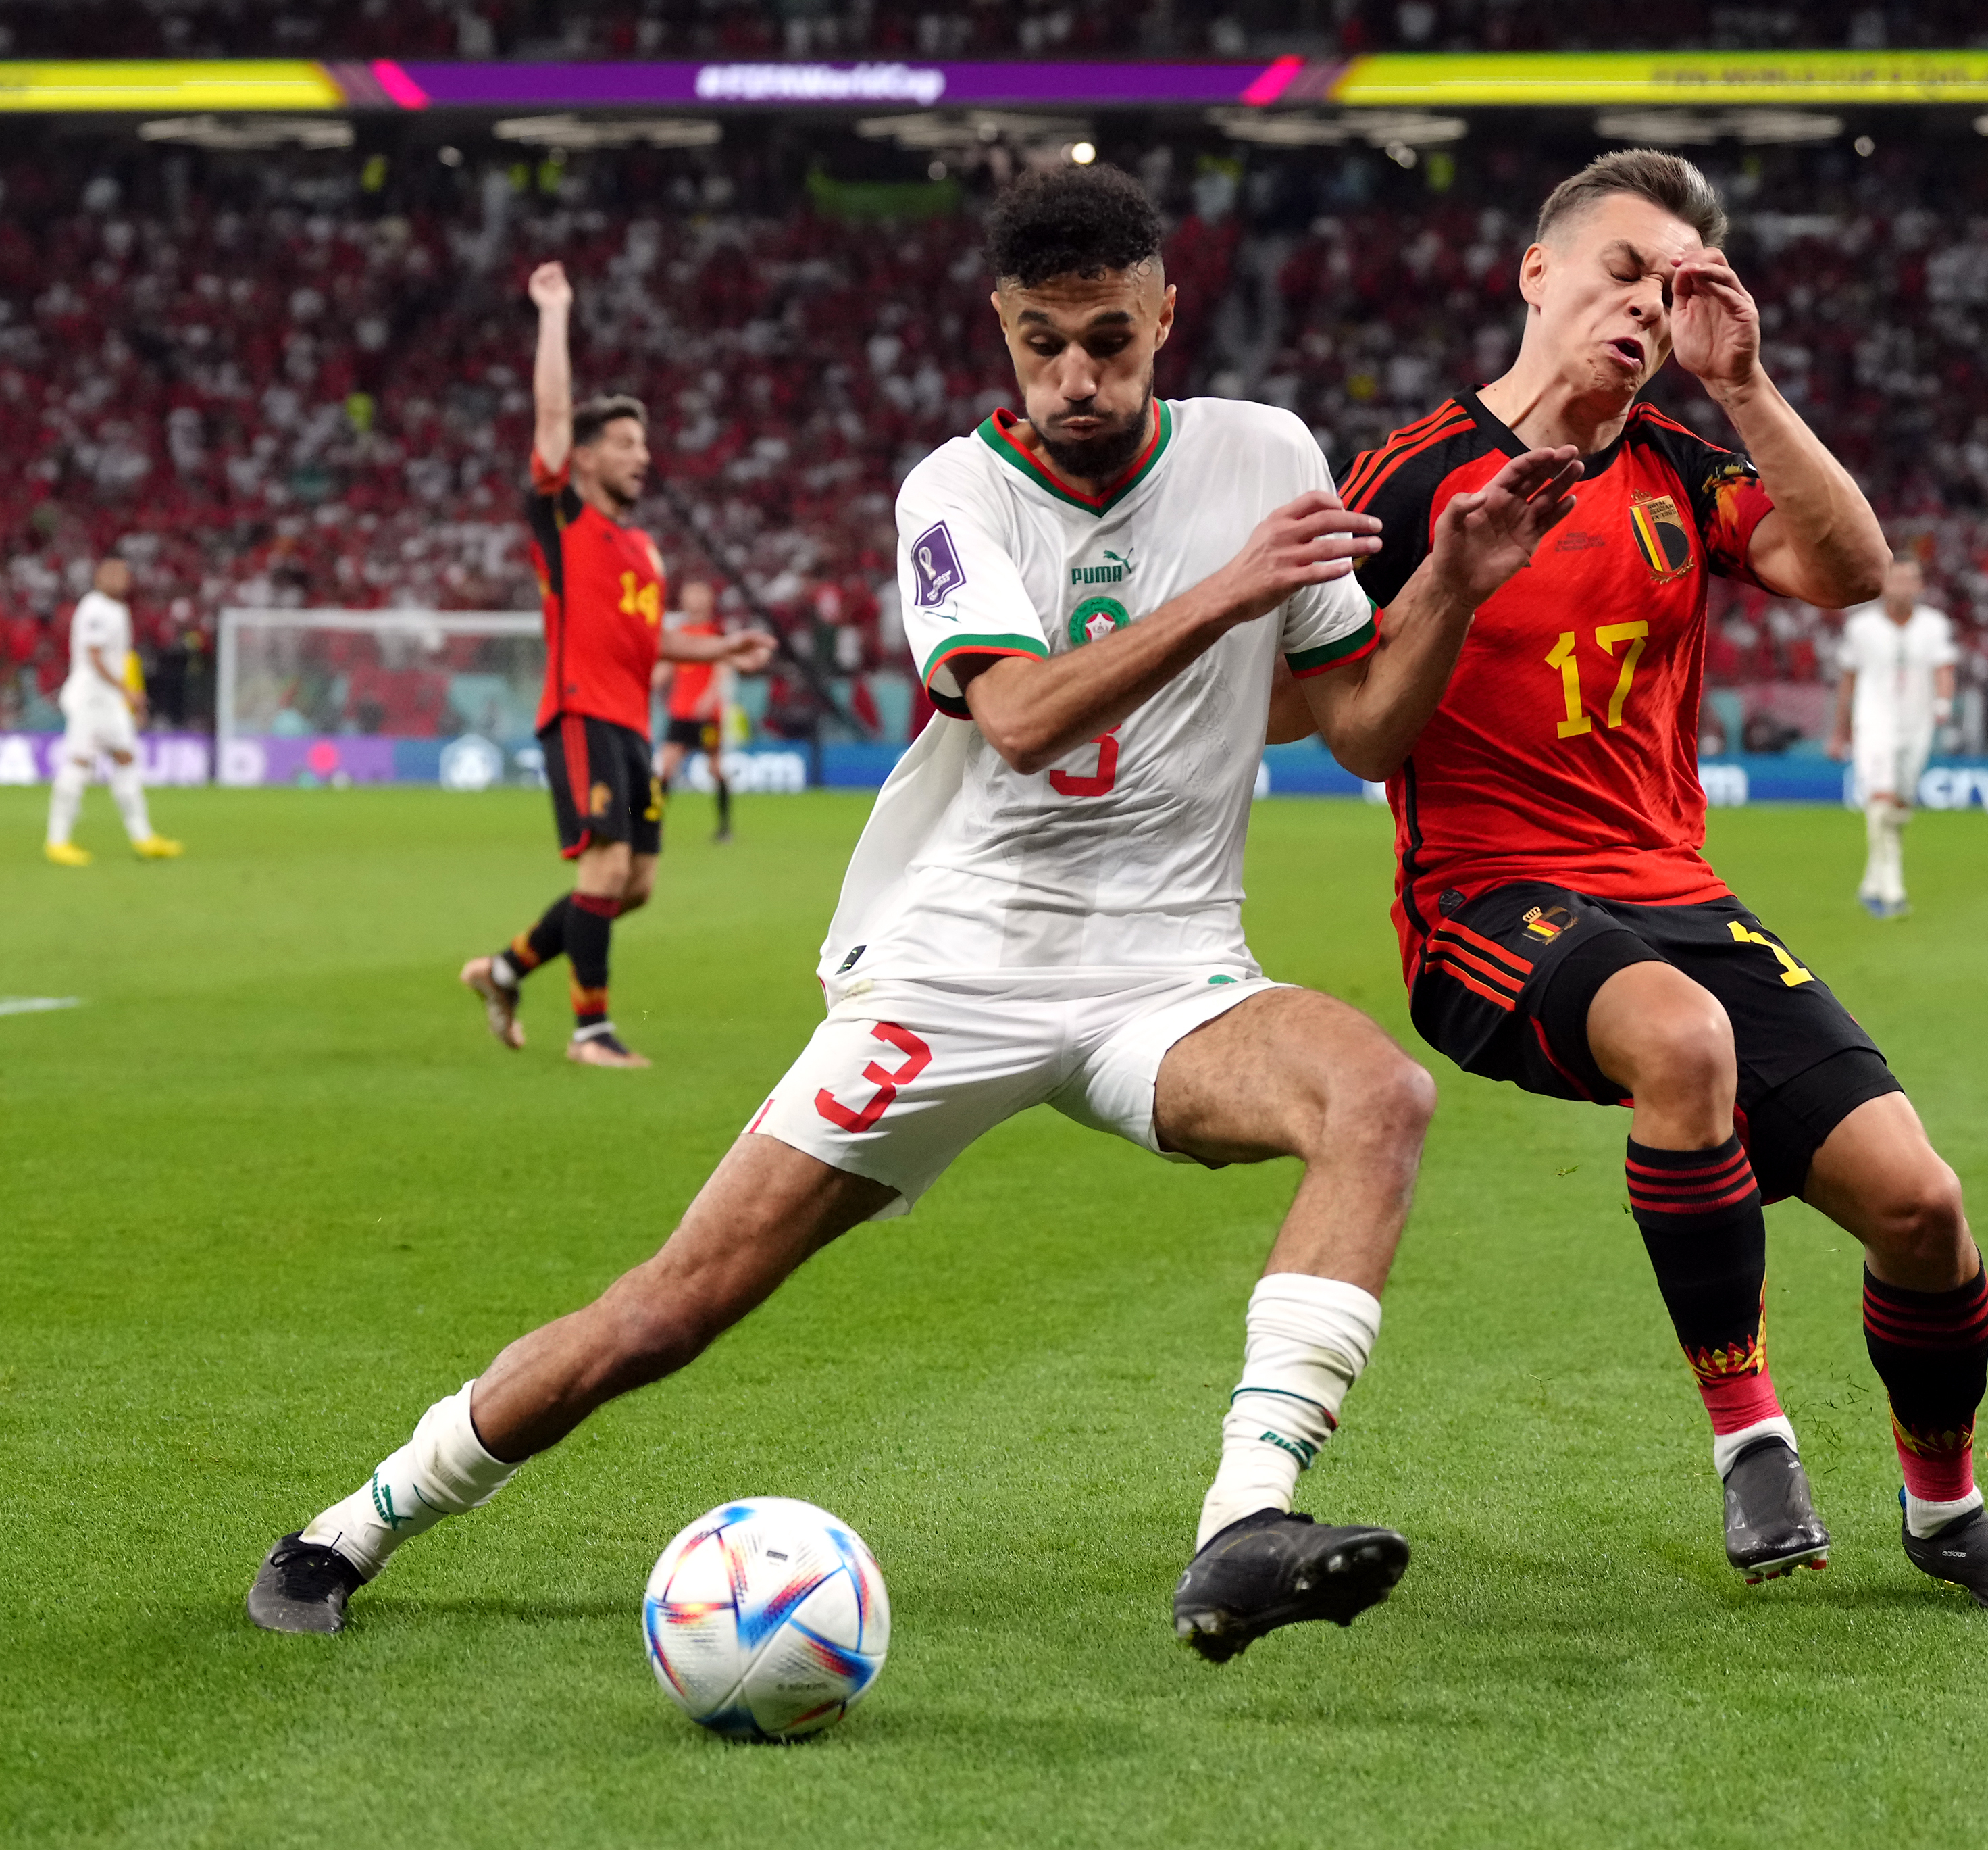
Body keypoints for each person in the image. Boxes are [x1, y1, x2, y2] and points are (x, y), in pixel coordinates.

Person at [248, 166, 1582, 1660]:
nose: (1074, 377)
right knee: (670, 1309)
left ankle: (1243, 1525)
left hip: (1168, 972)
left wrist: (1450, 589)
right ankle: (354, 1523)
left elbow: (1357, 731)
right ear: (999, 330)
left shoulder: (1266, 448)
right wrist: (1224, 593)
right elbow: (1013, 715)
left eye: (1108, 340)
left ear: (1165, 314)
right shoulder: (955, 492)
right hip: (953, 971)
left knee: (1376, 1096)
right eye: (1039, 343)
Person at [1338, 149, 1988, 1615]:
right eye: (1622, 271)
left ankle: (1946, 1511)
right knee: (1682, 1039)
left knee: (1922, 1207)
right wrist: (1454, 582)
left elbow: (1850, 568)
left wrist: (1740, 384)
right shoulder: (1408, 474)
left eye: (1672, 287)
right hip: (1484, 907)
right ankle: (1751, 1433)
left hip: (1671, 897)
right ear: (1535, 273)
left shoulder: (1680, 464)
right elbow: (1357, 729)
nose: (1644, 307)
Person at [458, 261, 775, 1068]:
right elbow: (553, 410)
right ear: (588, 457)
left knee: (632, 885)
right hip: (581, 712)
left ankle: (501, 971)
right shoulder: (564, 515)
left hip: (633, 726)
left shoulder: (643, 548)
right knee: (602, 866)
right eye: (627, 444)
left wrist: (721, 646)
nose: (643, 457)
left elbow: (651, 641)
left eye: (646, 443)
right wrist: (556, 312)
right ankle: (592, 1031)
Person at [1830, 553, 1957, 918]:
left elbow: (1944, 669)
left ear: (1919, 586)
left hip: (1917, 725)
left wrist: (1944, 704)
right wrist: (1840, 733)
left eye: (1909, 580)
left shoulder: (1934, 625)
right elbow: (1848, 680)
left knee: (1899, 808)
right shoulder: (1862, 627)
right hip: (1873, 721)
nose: (1902, 587)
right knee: (1881, 799)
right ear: (1883, 584)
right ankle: (1892, 887)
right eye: (1896, 579)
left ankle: (1872, 881)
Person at [42, 557, 182, 866]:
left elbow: (121, 658)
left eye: (122, 574)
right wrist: (126, 691)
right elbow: (94, 657)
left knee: (126, 757)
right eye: (110, 574)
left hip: (110, 700)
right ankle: (57, 841)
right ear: (98, 578)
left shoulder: (117, 609)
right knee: (79, 762)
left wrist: (133, 694)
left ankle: (143, 837)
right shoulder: (95, 608)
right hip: (91, 698)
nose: (117, 579)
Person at [651, 580, 738, 845]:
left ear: (709, 600)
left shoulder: (716, 633)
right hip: (680, 712)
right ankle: (653, 824)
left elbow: (722, 671)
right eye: (689, 595)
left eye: (698, 594)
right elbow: (664, 672)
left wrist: (709, 697)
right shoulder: (678, 633)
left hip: (707, 716)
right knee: (666, 767)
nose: (693, 600)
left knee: (715, 769)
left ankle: (724, 829)